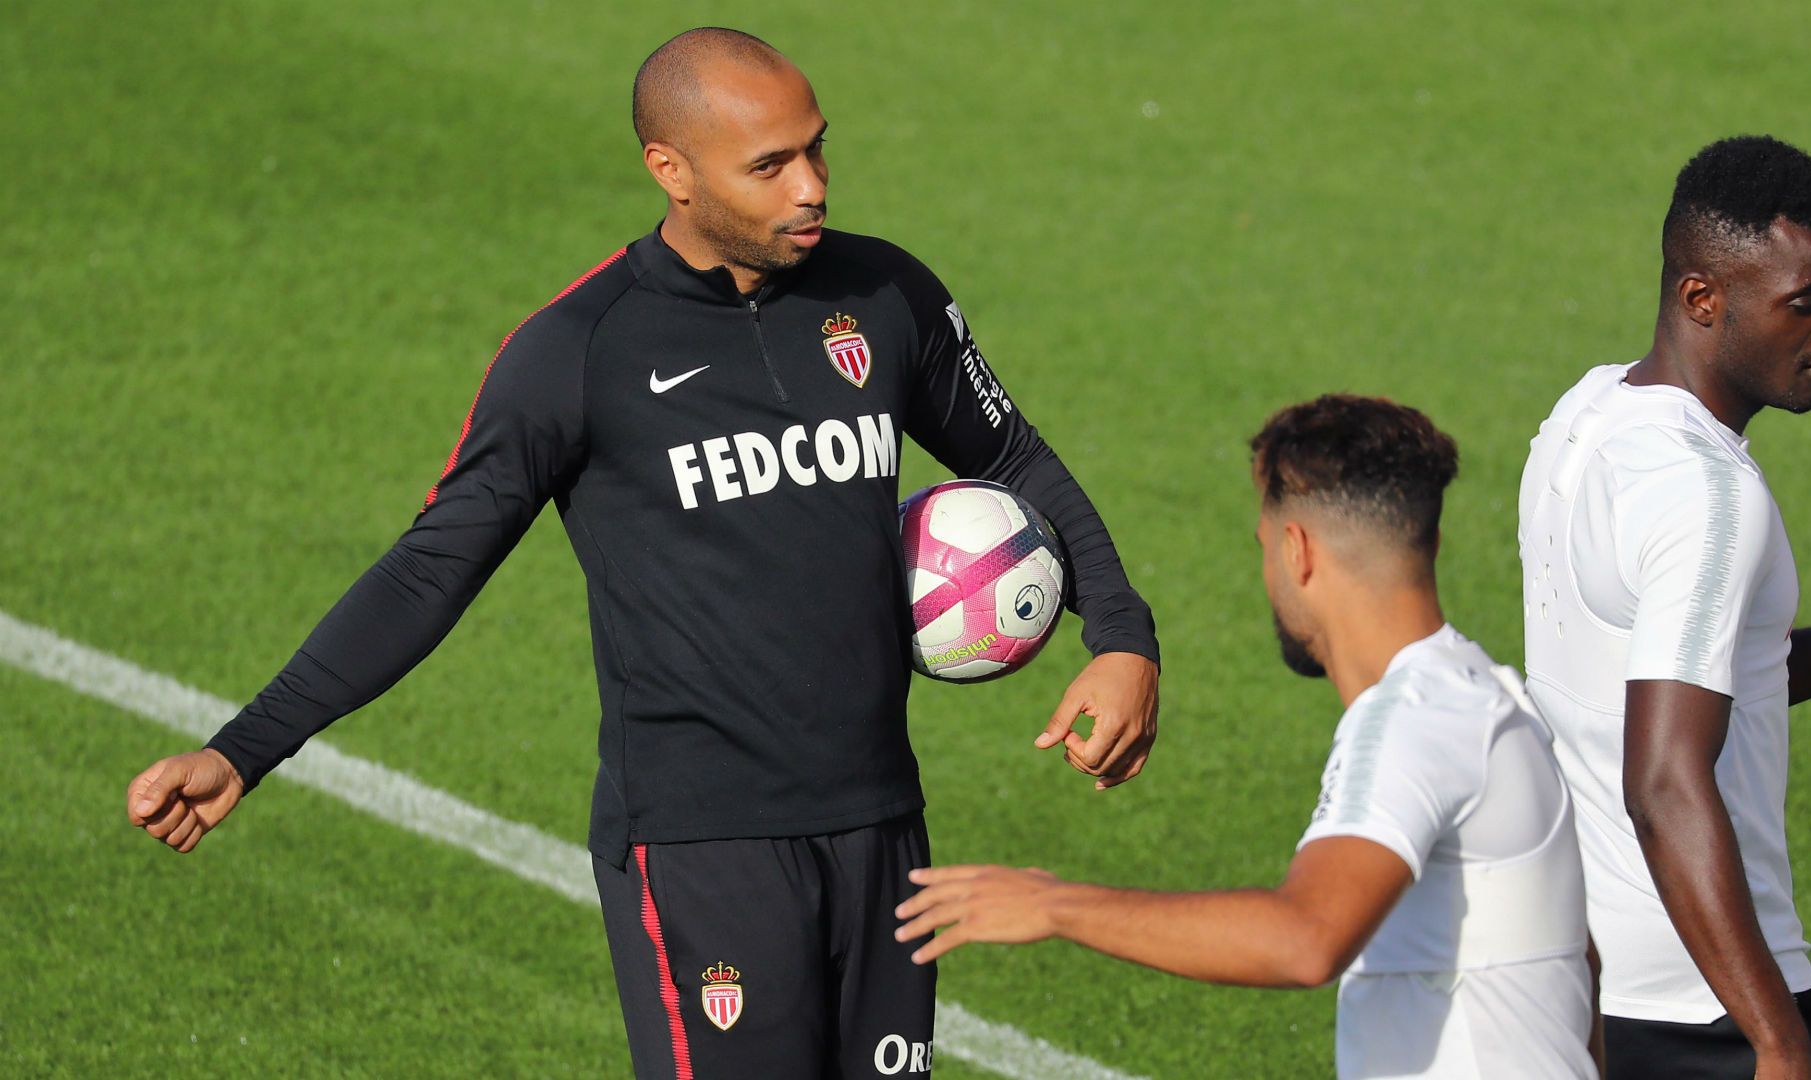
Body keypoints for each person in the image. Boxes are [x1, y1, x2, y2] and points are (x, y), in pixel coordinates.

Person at [122, 27, 1161, 1080]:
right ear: (671, 170)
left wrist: (1122, 635)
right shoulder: (580, 352)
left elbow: (1015, 457)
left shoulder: (885, 297)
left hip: (882, 823)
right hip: (701, 850)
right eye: (769, 166)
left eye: (816, 149)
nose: (811, 188)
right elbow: (430, 568)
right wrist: (243, 748)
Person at [898, 395, 1600, 1079]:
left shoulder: (1416, 723)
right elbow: (1581, 965)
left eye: (1264, 547)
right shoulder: (1491, 696)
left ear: (1296, 551)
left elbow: (1305, 940)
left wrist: (1051, 904)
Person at [1518, 134, 1811, 1079]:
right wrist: (1776, 1044)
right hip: (1713, 1005)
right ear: (1704, 298)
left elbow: (1718, 669)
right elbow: (1662, 779)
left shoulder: (1588, 415)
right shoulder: (1705, 494)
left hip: (1594, 984)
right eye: (1803, 304)